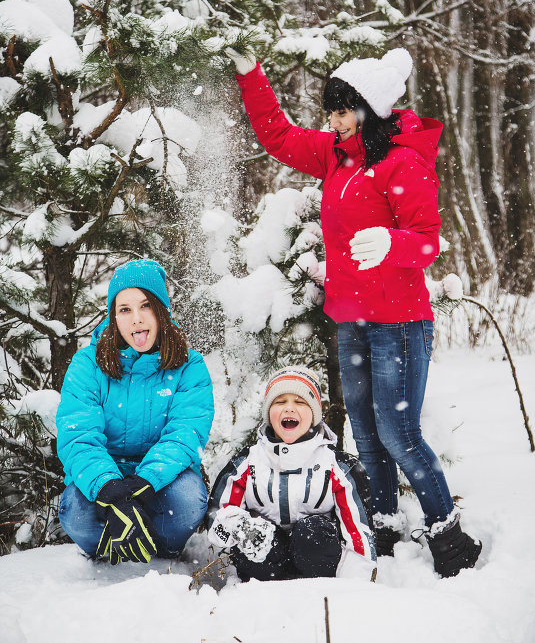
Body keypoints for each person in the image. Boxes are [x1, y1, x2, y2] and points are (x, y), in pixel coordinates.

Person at [226, 47, 481, 578]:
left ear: (372, 108)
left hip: (400, 323)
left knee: (398, 433)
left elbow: (428, 242)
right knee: (364, 432)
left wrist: (393, 243)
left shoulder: (402, 161)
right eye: (332, 111)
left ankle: (449, 536)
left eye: (344, 110)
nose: (334, 121)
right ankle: (383, 524)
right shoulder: (335, 155)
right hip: (352, 322)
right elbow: (278, 136)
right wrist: (252, 77)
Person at [56, 259, 214, 564]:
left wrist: (145, 483)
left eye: (145, 306)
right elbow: (78, 436)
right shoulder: (87, 364)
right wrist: (111, 488)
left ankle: (161, 549)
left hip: (164, 478)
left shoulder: (189, 366)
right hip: (107, 475)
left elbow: (186, 434)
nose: (136, 320)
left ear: (161, 310)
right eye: (125, 309)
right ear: (114, 317)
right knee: (75, 513)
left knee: (187, 504)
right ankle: (109, 549)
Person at [207, 366, 376, 582]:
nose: (289, 409)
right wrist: (239, 525)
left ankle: (315, 589)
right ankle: (262, 596)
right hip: (265, 566)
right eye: (280, 402)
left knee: (312, 533)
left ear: (314, 413)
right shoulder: (248, 462)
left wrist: (353, 587)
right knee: (258, 538)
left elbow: (358, 534)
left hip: (318, 564)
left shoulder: (336, 465)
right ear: (269, 412)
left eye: (300, 402)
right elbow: (217, 515)